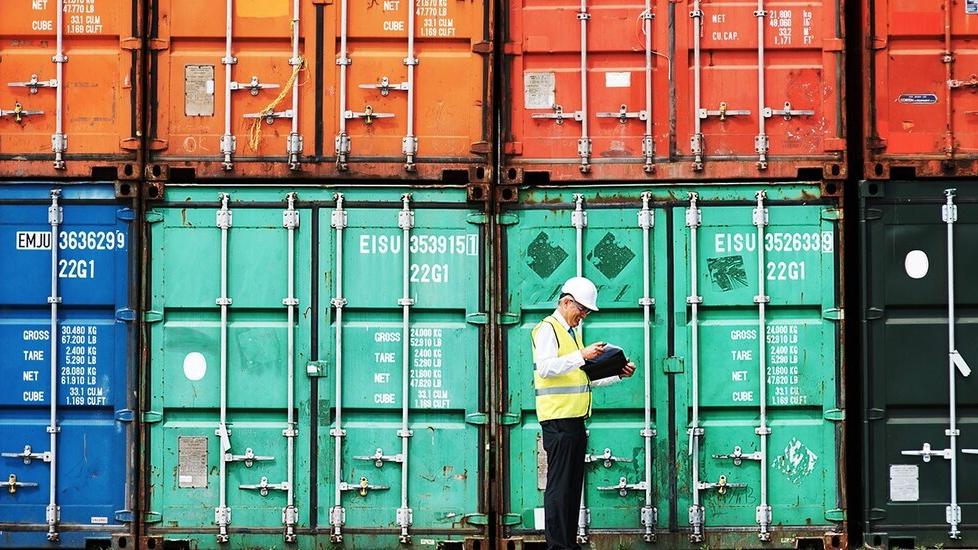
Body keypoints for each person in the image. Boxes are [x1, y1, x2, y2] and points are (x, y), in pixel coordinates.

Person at [531, 276, 636, 550]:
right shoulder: (547, 329)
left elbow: (582, 377)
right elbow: (545, 368)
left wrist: (617, 374)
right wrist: (582, 356)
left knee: (572, 488)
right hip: (557, 421)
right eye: (582, 310)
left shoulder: (571, 334)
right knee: (559, 488)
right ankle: (558, 546)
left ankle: (568, 543)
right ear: (567, 303)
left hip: (574, 421)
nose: (584, 316)